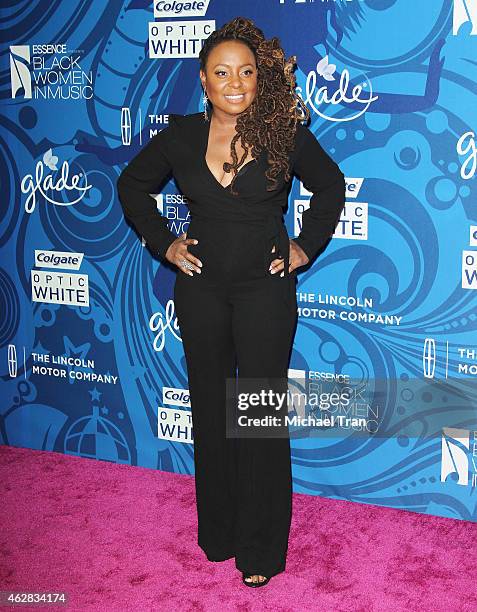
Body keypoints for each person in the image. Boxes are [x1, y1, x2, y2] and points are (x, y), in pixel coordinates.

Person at [117, 16, 345, 588]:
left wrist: (304, 247)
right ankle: (218, 533)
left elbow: (331, 185)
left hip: (265, 292)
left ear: (258, 77)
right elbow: (132, 186)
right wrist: (164, 243)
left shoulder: (283, 133)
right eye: (222, 72)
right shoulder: (180, 136)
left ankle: (261, 552)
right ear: (203, 79)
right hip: (202, 293)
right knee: (213, 413)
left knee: (259, 416)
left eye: (245, 70)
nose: (235, 81)